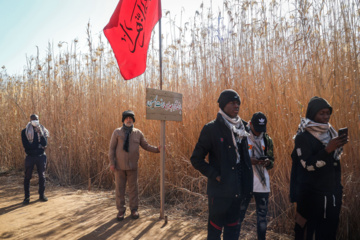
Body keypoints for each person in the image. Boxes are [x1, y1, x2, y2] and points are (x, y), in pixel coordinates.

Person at [190, 89, 253, 240]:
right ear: (223, 105)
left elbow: (245, 159)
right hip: (219, 192)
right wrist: (216, 175)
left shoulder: (243, 127)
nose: (236, 106)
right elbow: (196, 159)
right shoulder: (211, 129)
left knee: (233, 231)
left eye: (238, 103)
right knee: (215, 231)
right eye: (232, 103)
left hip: (238, 190)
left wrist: (247, 186)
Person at [290, 96, 348, 240]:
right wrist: (327, 150)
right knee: (306, 233)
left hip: (332, 196)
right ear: (312, 114)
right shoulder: (303, 137)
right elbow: (307, 165)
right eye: (321, 113)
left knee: (328, 233)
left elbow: (333, 165)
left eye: (328, 113)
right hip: (310, 197)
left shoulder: (331, 133)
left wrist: (338, 190)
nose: (326, 117)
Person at [109, 110, 160, 220]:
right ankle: (121, 211)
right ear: (123, 120)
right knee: (120, 189)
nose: (129, 120)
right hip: (119, 167)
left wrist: (157, 149)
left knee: (133, 189)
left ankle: (134, 210)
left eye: (131, 118)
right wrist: (112, 163)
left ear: (133, 120)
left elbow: (146, 146)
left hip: (133, 167)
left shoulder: (138, 133)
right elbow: (112, 149)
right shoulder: (117, 132)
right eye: (127, 118)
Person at [247, 112, 274, 240]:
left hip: (262, 183)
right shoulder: (242, 137)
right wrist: (248, 161)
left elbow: (271, 160)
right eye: (256, 129)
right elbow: (235, 161)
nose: (259, 133)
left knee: (262, 216)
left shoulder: (267, 139)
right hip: (245, 183)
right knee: (239, 215)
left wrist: (267, 162)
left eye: (261, 130)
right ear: (250, 124)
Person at [21, 114, 50, 204]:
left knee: (42, 176)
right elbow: (26, 146)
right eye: (33, 120)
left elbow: (45, 143)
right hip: (30, 157)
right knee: (27, 176)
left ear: (38, 120)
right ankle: (27, 197)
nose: (35, 121)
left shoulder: (42, 130)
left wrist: (40, 134)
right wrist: (38, 146)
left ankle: (42, 195)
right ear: (30, 121)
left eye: (36, 119)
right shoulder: (24, 131)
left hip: (41, 156)